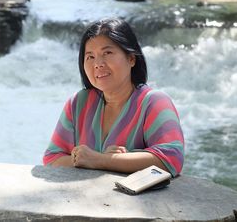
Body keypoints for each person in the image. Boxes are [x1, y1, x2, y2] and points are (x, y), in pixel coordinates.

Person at [43, 18, 184, 177]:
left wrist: (101, 160)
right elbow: (52, 158)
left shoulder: (154, 102)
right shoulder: (78, 103)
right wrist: (86, 160)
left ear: (131, 58)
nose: (98, 63)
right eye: (90, 57)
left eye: (107, 53)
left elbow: (171, 159)